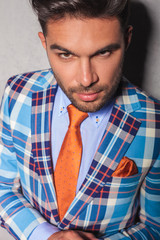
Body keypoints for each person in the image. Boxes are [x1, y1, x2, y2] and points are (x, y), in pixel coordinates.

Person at [0, 0, 160, 239]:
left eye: (103, 52)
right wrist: (46, 235)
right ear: (44, 43)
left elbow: (155, 226)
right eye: (66, 54)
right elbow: (3, 189)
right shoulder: (18, 93)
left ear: (127, 39)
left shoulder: (154, 121)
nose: (86, 79)